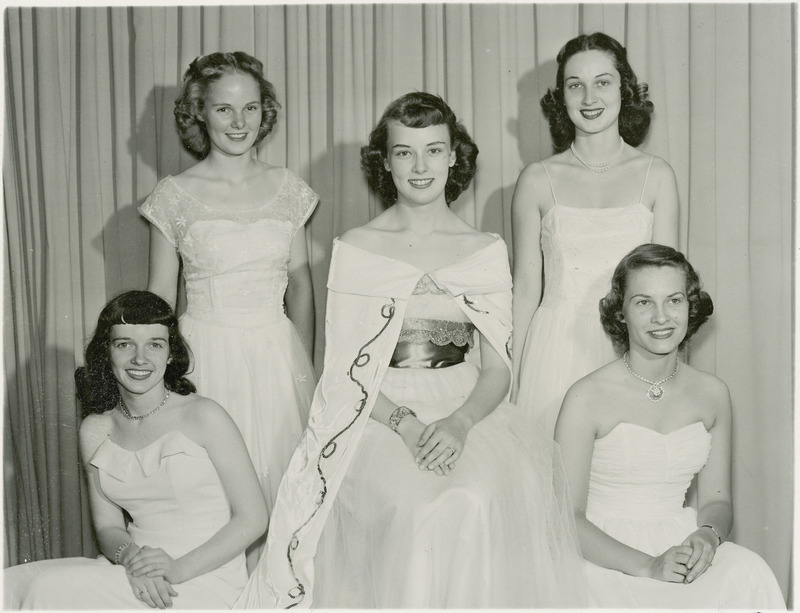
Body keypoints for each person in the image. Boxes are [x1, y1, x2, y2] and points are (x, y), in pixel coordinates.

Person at [234, 92, 587, 608]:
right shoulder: (355, 246)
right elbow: (341, 373)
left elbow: (497, 370)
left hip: (466, 408)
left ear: (454, 156)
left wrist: (459, 425)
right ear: (385, 161)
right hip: (374, 413)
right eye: (404, 152)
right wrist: (407, 424)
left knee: (474, 498)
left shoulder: (486, 249)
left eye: (434, 150)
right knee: (413, 506)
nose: (420, 167)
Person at [139, 51, 318, 557]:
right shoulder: (174, 196)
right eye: (224, 110)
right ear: (199, 112)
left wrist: (299, 361)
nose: (239, 123)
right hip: (204, 353)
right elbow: (156, 298)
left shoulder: (289, 190)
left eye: (251, 109)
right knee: (213, 495)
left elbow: (300, 285)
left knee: (282, 490)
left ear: (266, 113)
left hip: (275, 354)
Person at [555, 244, 786, 609]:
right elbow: (566, 518)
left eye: (674, 300)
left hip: (680, 540)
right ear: (621, 313)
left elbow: (716, 500)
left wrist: (707, 536)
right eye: (644, 302)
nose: (662, 317)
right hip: (601, 553)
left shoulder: (713, 393)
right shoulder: (586, 397)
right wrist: (649, 566)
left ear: (690, 307)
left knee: (750, 573)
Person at [4, 291, 267, 609]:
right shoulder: (95, 428)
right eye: (124, 344)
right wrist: (132, 559)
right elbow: (108, 526)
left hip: (203, 575)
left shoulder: (205, 415)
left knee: (48, 593)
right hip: (133, 571)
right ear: (106, 352)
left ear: (171, 354)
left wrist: (177, 569)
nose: (140, 359)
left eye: (155, 344)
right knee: (20, 586)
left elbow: (253, 519)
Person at [512, 32, 680, 438]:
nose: (589, 98)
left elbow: (670, 292)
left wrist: (673, 378)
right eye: (576, 85)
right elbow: (523, 292)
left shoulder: (656, 176)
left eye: (602, 82)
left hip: (631, 350)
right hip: (552, 353)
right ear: (561, 97)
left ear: (624, 90)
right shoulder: (537, 180)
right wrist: (512, 383)